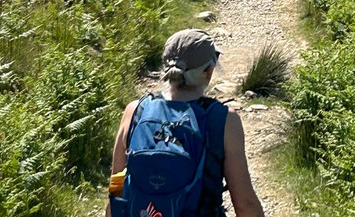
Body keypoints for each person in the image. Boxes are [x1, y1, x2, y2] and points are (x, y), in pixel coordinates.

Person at [106, 29, 265, 217]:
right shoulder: (223, 120)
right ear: (208, 71)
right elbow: (244, 204)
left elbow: (116, 186)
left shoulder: (135, 111)